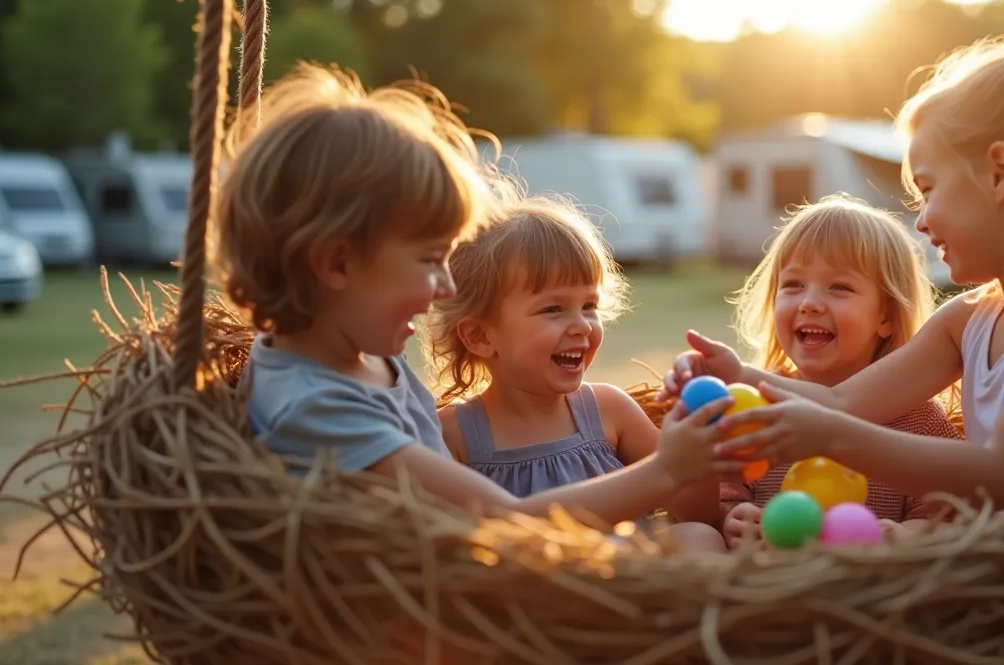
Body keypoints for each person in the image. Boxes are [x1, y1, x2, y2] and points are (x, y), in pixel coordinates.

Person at [662, 26, 1004, 522]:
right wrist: (739, 374)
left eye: (929, 189)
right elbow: (845, 401)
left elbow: (1000, 473)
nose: (922, 220)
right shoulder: (970, 317)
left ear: (1000, 173)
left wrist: (830, 437)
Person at [213, 63, 729, 534]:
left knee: (694, 538)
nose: (445, 287)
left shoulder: (361, 352)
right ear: (338, 265)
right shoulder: (316, 406)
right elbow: (508, 523)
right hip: (479, 604)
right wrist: (666, 470)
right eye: (429, 259)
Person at [423, 184, 725, 552]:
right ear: (480, 336)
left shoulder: (608, 410)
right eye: (553, 309)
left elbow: (701, 512)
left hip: (634, 582)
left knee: (699, 537)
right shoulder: (453, 435)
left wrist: (702, 449)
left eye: (589, 306)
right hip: (533, 596)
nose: (582, 325)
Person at [716, 195, 961, 549]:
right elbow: (725, 492)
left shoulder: (917, 417)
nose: (810, 303)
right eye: (793, 285)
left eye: (839, 287)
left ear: (886, 318)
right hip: (768, 585)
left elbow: (947, 515)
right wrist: (734, 517)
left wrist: (901, 536)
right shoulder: (755, 407)